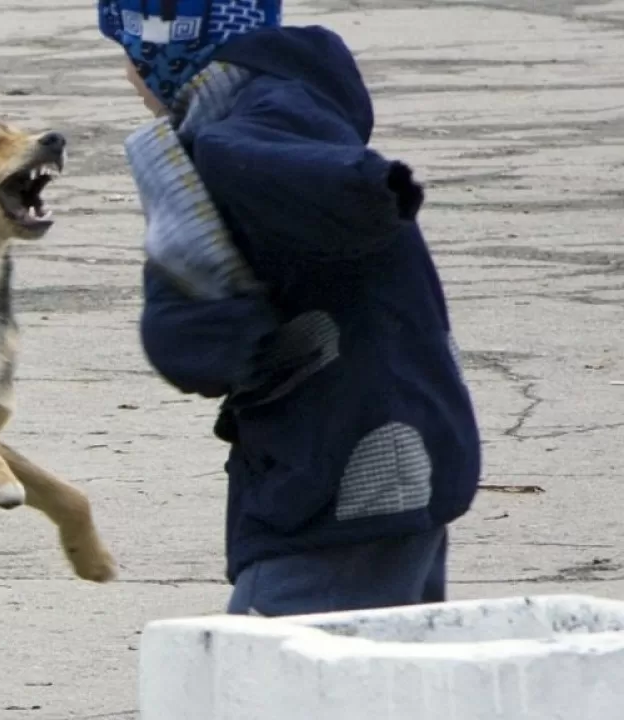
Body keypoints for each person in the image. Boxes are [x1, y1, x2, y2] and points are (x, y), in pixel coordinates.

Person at [98, 0, 482, 617]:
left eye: (124, 50)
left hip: (344, 481)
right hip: (410, 443)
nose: (125, 74)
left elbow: (197, 351)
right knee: (393, 681)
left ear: (159, 51)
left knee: (265, 679)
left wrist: (361, 190)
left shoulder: (229, 146)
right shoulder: (293, 99)